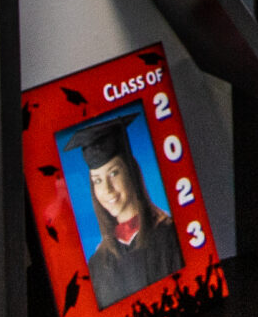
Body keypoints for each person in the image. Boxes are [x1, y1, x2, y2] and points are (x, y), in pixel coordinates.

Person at [75, 123, 183, 307]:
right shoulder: (97, 264)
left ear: (131, 172)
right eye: (97, 180)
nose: (107, 189)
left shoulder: (171, 236)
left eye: (114, 173)